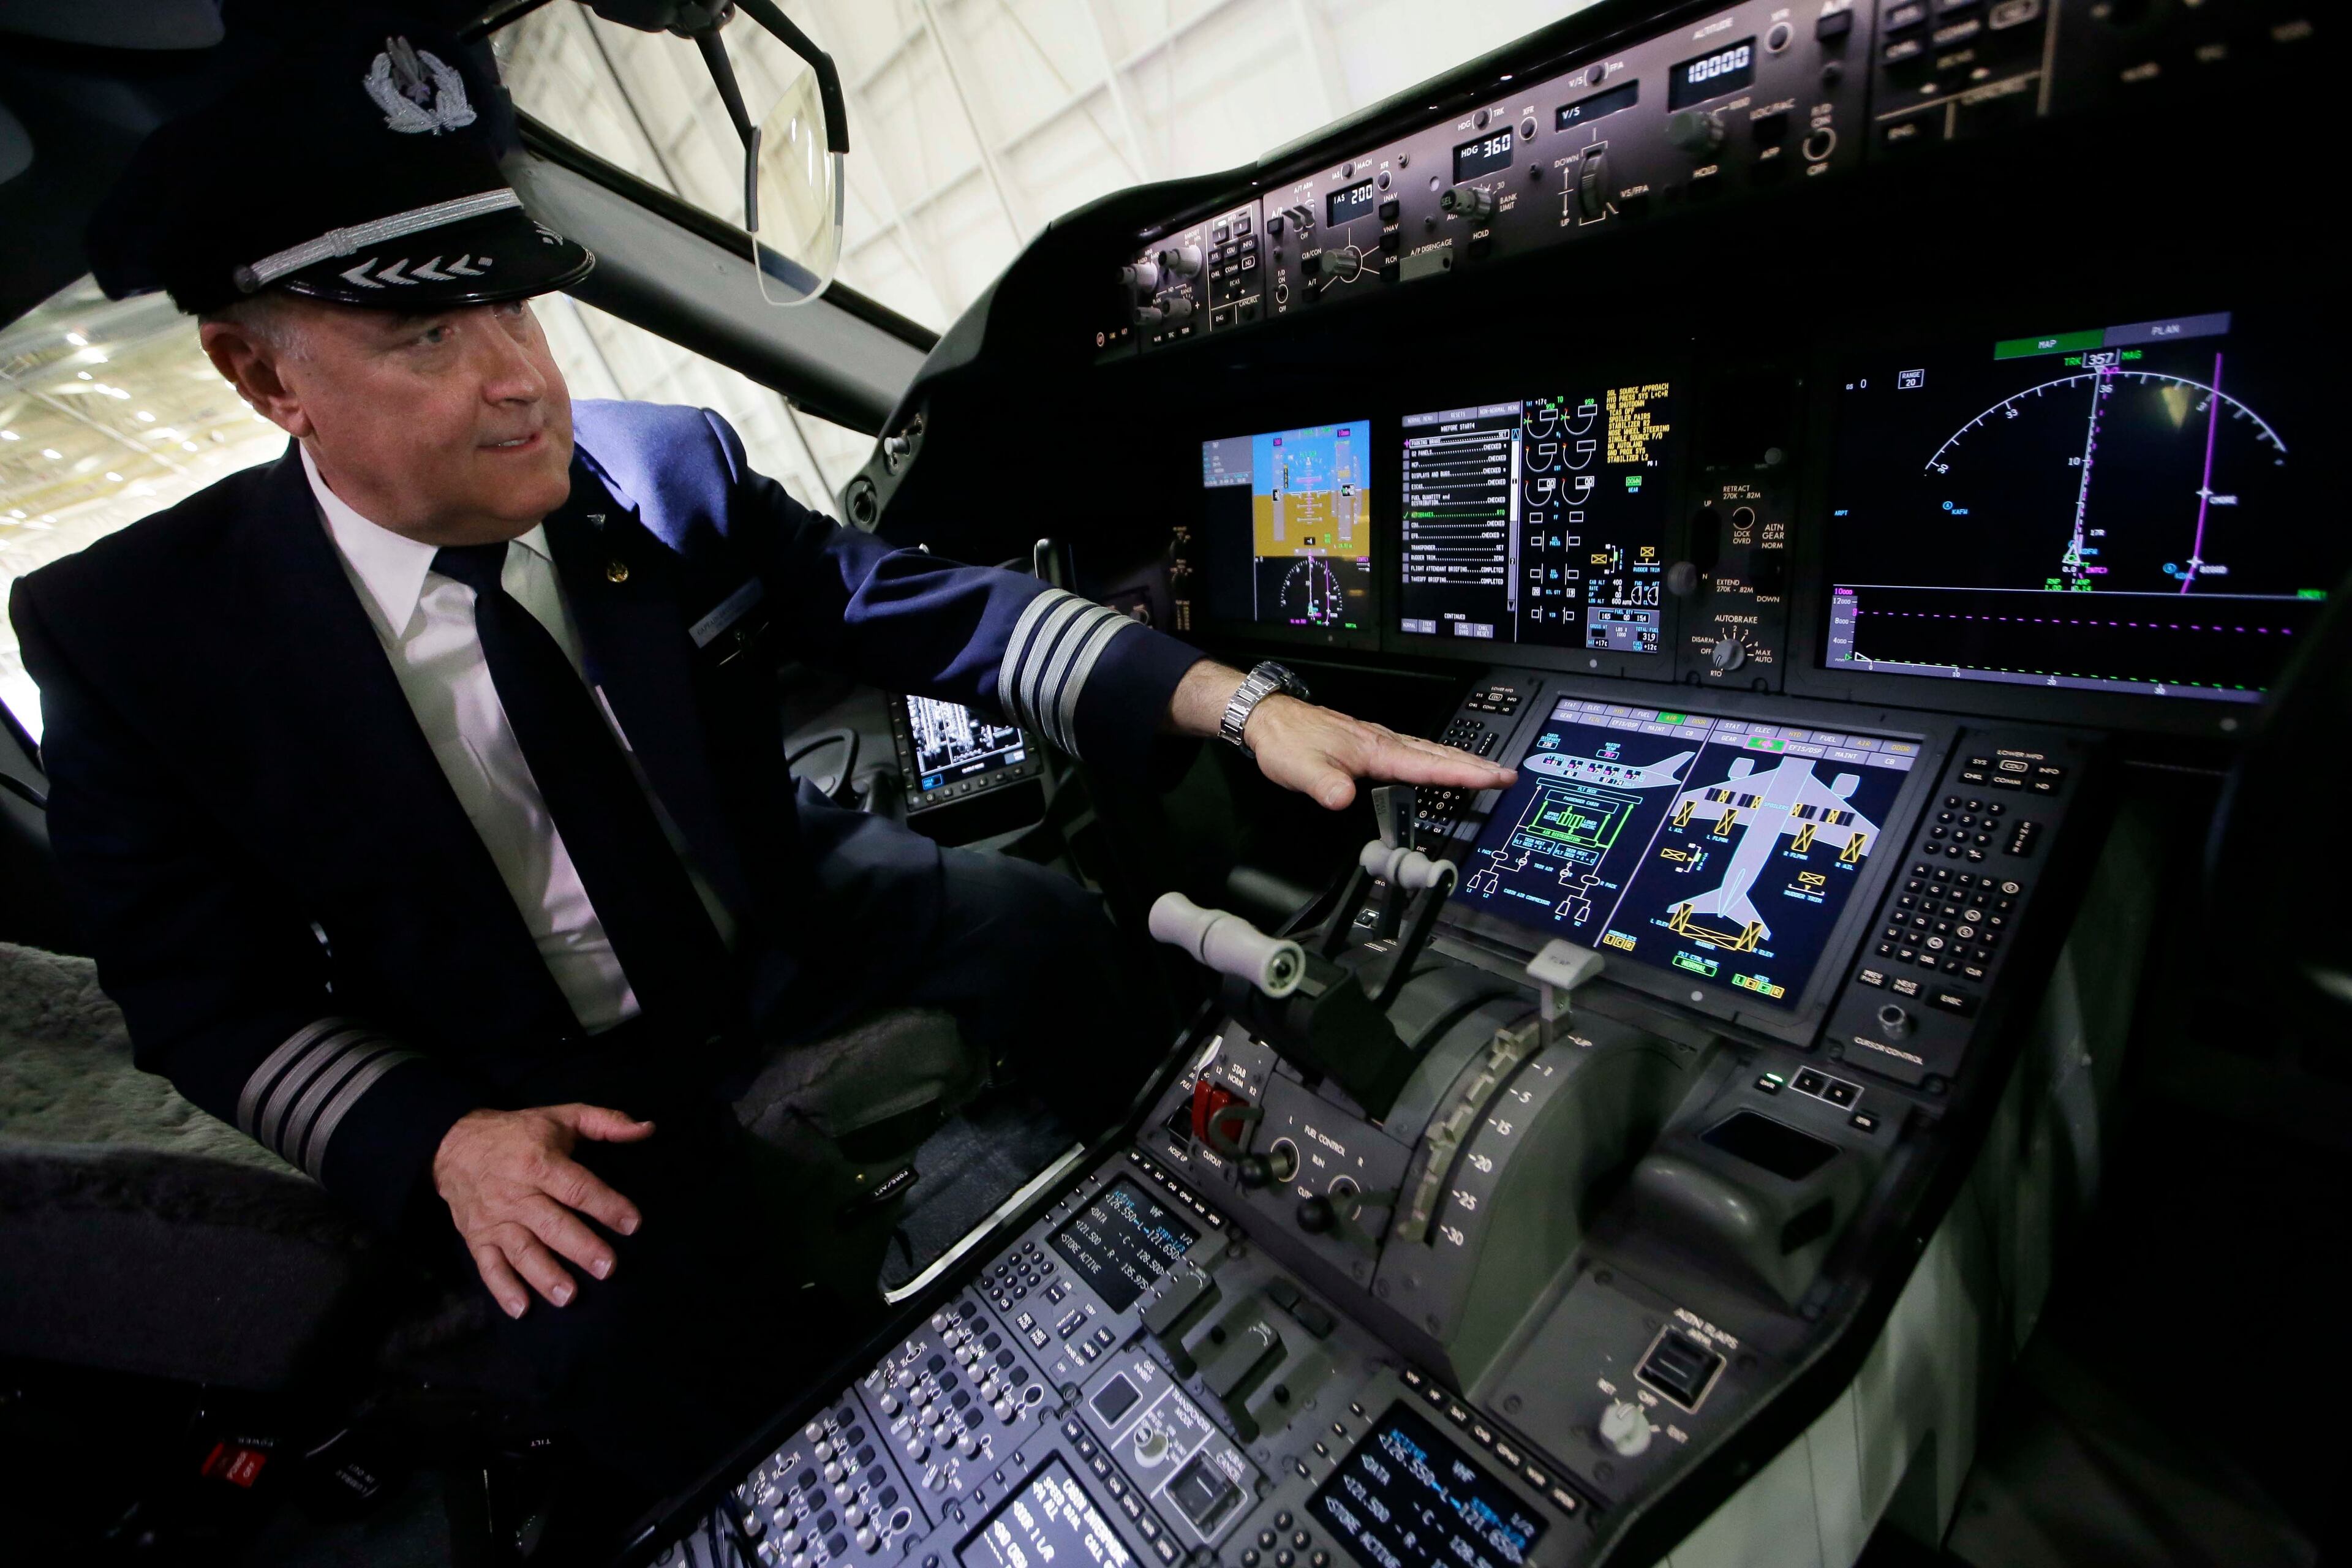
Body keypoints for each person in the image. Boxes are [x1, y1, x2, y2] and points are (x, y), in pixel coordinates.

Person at [8, 17, 1513, 1536]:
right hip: (516, 1062)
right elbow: (200, 993)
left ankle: (1241, 1232)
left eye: (518, 310)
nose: (522, 379)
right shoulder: (139, 637)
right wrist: (442, 1142)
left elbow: (918, 604)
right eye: (426, 338)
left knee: (1048, 927)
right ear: (263, 375)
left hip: (777, 902)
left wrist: (1231, 701)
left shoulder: (667, 467)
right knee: (630, 1382)